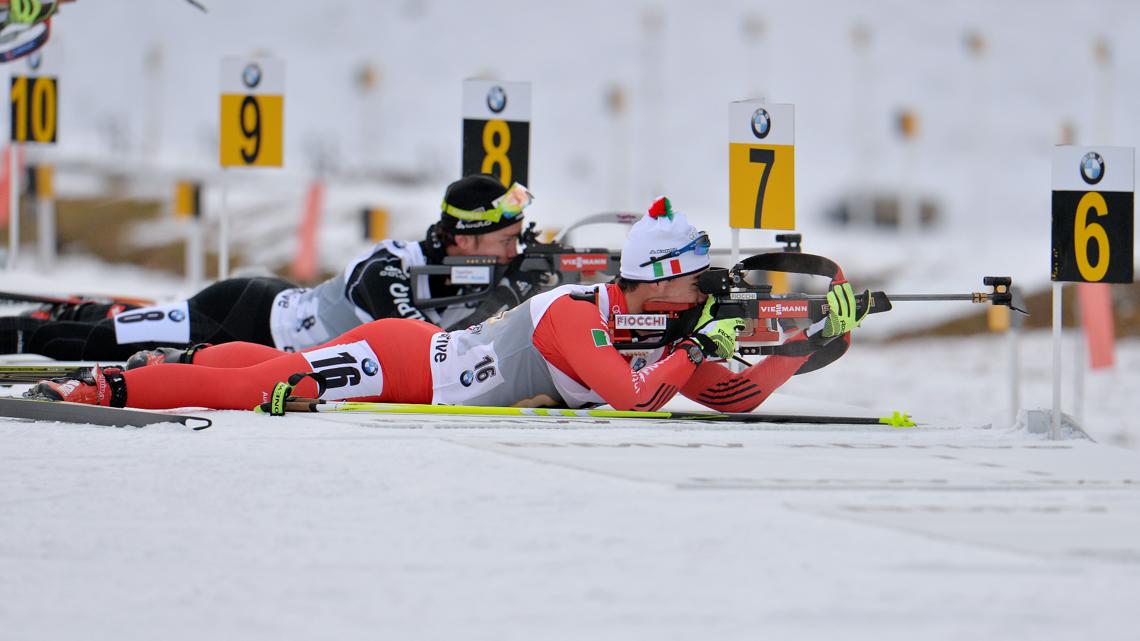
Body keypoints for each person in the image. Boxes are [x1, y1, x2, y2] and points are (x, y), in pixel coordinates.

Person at [25, 196, 868, 413]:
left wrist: (804, 344)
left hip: (420, 370)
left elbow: (733, 395)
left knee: (276, 372)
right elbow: (631, 395)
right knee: (274, 389)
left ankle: (183, 365)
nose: (702, 296)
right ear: (650, 281)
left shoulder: (665, 324)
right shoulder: (576, 311)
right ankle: (104, 387)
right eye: (693, 284)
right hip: (404, 365)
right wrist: (698, 346)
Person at [1, 174, 546, 362]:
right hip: (240, 317)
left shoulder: (475, 266)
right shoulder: (389, 265)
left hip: (267, 331)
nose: (509, 254)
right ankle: (23, 335)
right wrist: (503, 301)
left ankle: (84, 313)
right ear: (464, 238)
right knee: (93, 343)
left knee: (109, 325)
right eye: (503, 242)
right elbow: (421, 345)